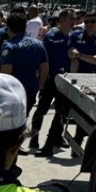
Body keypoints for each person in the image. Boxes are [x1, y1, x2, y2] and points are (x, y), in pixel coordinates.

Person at [0, 9, 48, 153]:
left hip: (12, 92)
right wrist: (40, 85)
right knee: (23, 118)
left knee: (8, 122)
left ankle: (9, 150)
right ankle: (17, 146)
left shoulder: (9, 46)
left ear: (9, 27)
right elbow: (44, 68)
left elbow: (6, 72)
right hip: (31, 89)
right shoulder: (38, 44)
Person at [29, 8, 75, 155]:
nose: (73, 21)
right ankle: (34, 137)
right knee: (42, 108)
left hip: (66, 79)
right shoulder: (51, 36)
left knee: (60, 112)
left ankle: (53, 139)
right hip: (50, 77)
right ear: (62, 21)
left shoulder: (74, 37)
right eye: (70, 19)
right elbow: (42, 58)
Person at [68, 10, 96, 75]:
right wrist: (90, 58)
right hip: (77, 75)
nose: (89, 24)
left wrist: (79, 55)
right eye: (86, 22)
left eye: (92, 21)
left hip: (94, 75)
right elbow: (71, 54)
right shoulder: (75, 35)